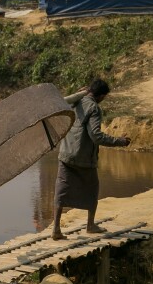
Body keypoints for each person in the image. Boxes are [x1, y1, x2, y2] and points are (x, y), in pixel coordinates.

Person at [52, 79, 131, 240]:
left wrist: (81, 93)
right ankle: (90, 225)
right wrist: (120, 141)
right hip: (83, 158)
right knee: (92, 189)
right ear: (101, 96)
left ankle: (56, 229)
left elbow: (62, 102)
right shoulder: (94, 108)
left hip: (66, 153)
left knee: (61, 190)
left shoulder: (76, 101)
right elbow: (96, 136)